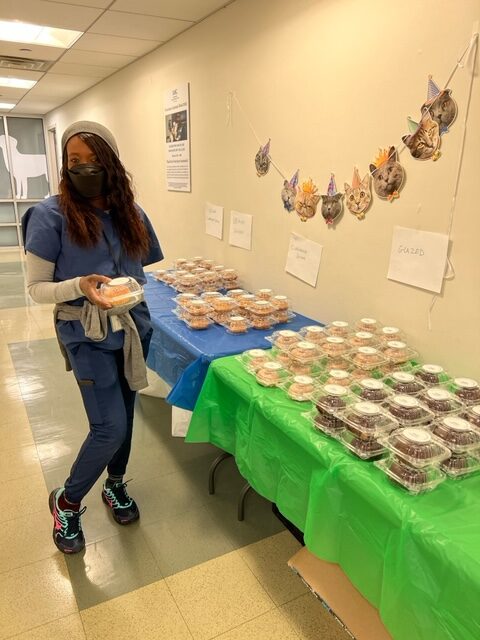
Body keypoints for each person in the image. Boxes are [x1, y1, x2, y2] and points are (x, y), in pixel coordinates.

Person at [22, 121, 163, 554]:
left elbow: (140, 272)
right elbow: (36, 288)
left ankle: (115, 485)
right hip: (86, 332)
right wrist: (80, 285)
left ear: (112, 164)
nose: (84, 169)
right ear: (64, 167)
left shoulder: (132, 214)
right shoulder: (49, 216)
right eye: (74, 161)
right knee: (109, 428)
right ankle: (66, 502)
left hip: (132, 327)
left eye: (93, 160)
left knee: (126, 414)